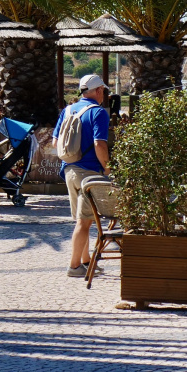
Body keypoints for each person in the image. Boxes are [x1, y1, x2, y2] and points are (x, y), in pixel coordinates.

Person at [55, 74, 113, 278]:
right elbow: (100, 144)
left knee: (83, 219)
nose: (104, 95)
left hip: (69, 170)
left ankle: (86, 261)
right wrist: (107, 169)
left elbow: (55, 143)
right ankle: (74, 266)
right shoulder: (98, 112)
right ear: (98, 91)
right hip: (89, 173)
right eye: (104, 91)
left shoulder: (68, 110)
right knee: (84, 221)